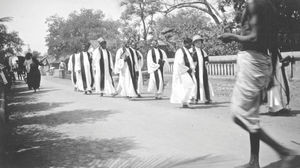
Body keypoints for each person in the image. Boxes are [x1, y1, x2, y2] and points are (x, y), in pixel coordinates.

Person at [218, 0, 296, 167]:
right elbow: (274, 44)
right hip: (262, 61)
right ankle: (254, 162)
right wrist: (270, 74)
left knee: (239, 115)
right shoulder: (271, 8)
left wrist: (231, 37)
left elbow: (254, 37)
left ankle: (283, 151)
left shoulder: (255, 5)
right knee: (251, 115)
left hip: (251, 60)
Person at [170, 38, 196, 108]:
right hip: (183, 72)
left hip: (187, 71)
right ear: (185, 44)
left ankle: (186, 101)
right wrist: (187, 69)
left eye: (191, 43)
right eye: (189, 43)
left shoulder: (187, 51)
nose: (191, 45)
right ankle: (185, 101)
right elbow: (179, 63)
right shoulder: (180, 51)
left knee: (189, 86)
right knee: (188, 85)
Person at [191, 35, 214, 104]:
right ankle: (195, 98)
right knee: (195, 83)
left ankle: (207, 98)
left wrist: (206, 62)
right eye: (197, 42)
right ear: (194, 43)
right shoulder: (192, 51)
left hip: (203, 70)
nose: (199, 43)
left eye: (200, 42)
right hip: (195, 70)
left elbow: (206, 59)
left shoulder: (203, 51)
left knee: (205, 83)